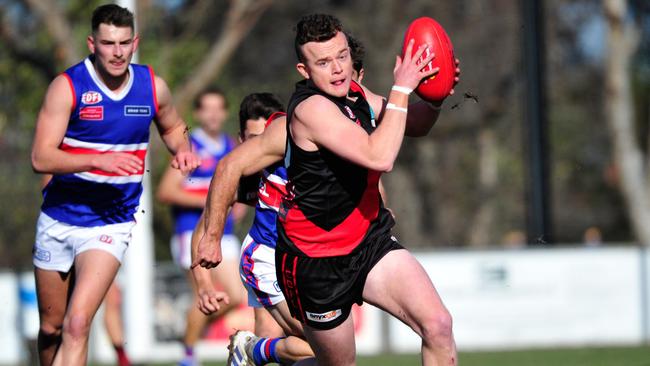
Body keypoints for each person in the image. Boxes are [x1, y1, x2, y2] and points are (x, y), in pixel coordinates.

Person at [194, 14, 460, 366]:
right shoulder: (309, 110)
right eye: (323, 62)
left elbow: (414, 123)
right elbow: (379, 156)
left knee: (438, 326)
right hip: (318, 260)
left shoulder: (357, 93)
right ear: (304, 70)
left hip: (368, 239)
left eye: (342, 56)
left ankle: (257, 349)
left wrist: (434, 96)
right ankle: (255, 350)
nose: (337, 69)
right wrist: (211, 235)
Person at [29, 4, 209, 366]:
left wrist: (184, 150)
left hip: (111, 222)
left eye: (124, 43)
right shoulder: (67, 87)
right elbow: (41, 158)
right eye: (108, 43)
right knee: (51, 328)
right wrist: (96, 159)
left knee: (78, 323)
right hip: (59, 219)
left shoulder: (151, 87)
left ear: (135, 42)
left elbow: (174, 127)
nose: (117, 52)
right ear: (92, 43)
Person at [156, 87, 247, 366]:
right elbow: (166, 191)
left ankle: (190, 339)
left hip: (224, 233)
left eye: (218, 107)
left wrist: (238, 202)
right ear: (198, 113)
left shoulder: (232, 146)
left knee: (235, 296)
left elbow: (240, 189)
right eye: (206, 108)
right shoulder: (190, 147)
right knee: (205, 295)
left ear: (225, 112)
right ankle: (188, 355)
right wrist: (211, 202)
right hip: (190, 234)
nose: (213, 114)